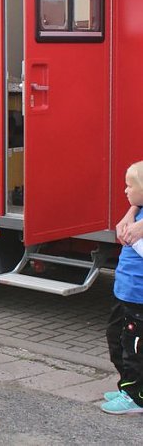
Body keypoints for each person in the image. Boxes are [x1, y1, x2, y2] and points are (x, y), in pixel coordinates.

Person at [100, 161, 143, 415]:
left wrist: (133, 235)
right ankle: (126, 386)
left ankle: (135, 396)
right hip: (125, 293)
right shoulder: (137, 211)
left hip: (138, 297)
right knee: (115, 338)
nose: (125, 190)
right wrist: (130, 214)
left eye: (130, 186)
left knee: (133, 347)